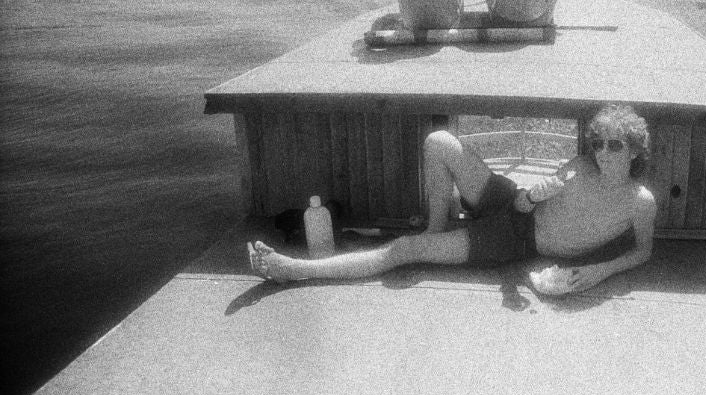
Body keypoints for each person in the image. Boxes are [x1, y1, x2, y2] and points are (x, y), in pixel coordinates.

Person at [248, 103, 657, 296]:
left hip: (515, 242)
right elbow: (522, 205)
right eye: (598, 142)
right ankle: (437, 228)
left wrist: (602, 271)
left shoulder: (640, 202)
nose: (602, 151)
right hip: (511, 201)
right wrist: (533, 194)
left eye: (614, 145)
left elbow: (641, 252)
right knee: (438, 141)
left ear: (635, 150)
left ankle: (297, 270)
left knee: (404, 250)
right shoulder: (581, 167)